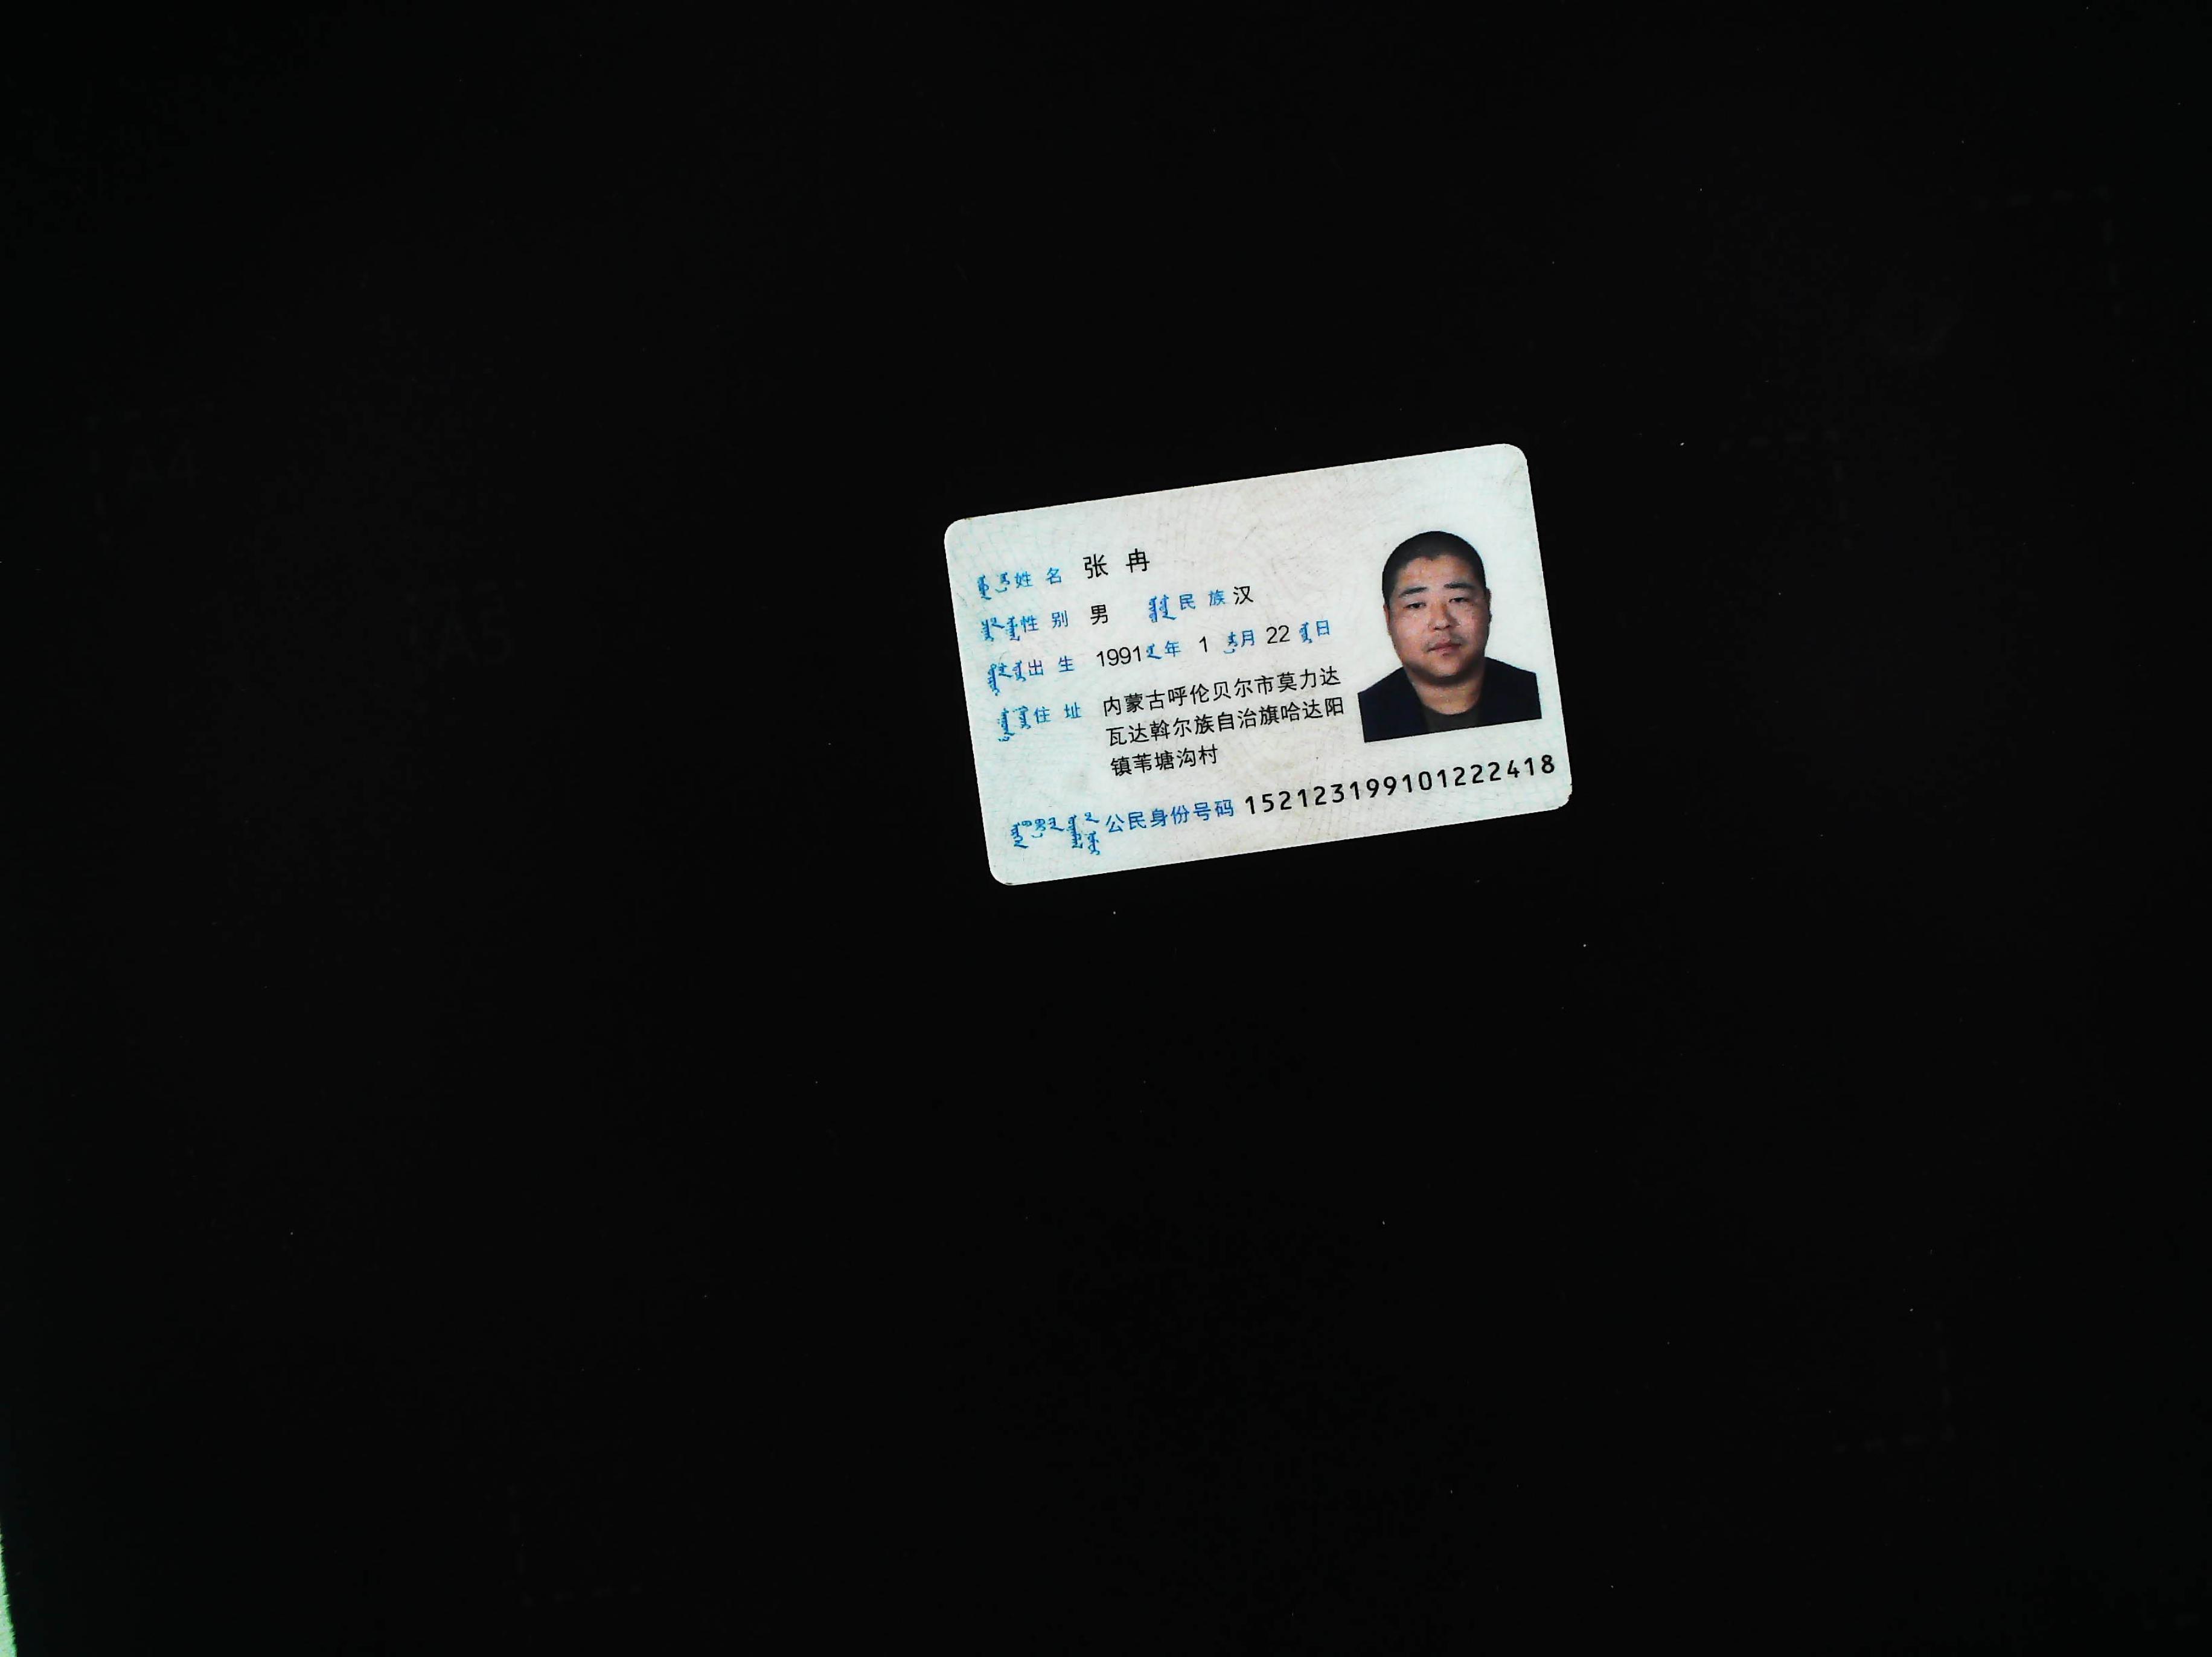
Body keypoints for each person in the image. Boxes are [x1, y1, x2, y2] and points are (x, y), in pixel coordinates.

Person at [1357, 530, 1541, 742]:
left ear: (1487, 604)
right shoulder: (1364, 716)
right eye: (1416, 605)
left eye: (1459, 599)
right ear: (1388, 618)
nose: (1442, 621)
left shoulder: (1540, 694)